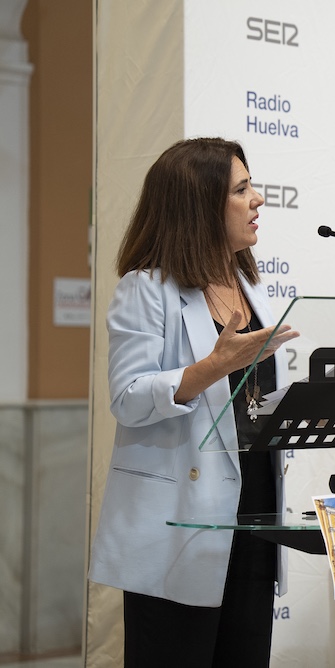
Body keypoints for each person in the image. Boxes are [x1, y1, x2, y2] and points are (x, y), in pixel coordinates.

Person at [89, 138, 299, 667]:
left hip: (253, 519)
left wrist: (305, 411)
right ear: (201, 205)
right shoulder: (146, 288)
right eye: (242, 190)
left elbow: (247, 405)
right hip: (179, 525)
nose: (258, 200)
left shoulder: (250, 286)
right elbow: (128, 397)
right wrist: (212, 367)